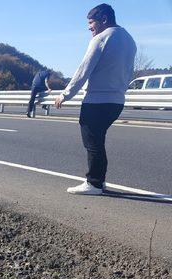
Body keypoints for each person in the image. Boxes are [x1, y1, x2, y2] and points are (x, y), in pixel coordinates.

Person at [55, 4, 136, 195]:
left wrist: (64, 95)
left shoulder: (102, 38)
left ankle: (94, 183)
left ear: (105, 19)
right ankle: (99, 181)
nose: (89, 27)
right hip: (116, 101)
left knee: (92, 142)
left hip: (97, 101)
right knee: (97, 141)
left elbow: (83, 70)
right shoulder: (129, 39)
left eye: (91, 23)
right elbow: (128, 71)